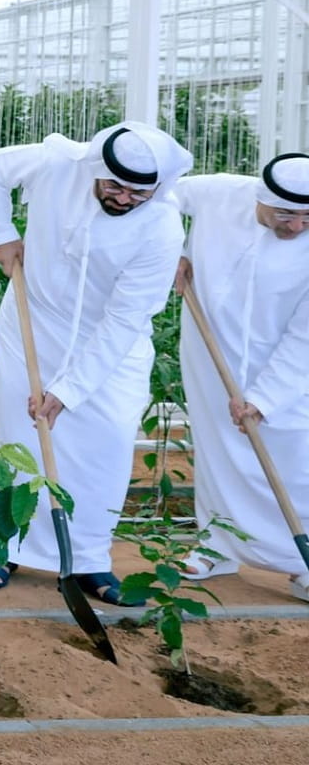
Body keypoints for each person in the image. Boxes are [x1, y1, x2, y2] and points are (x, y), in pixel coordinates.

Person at [0, 122, 193, 605]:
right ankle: (2, 546)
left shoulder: (161, 227)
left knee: (105, 446)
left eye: (139, 191)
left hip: (111, 344)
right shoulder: (57, 163)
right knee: (16, 436)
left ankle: (88, 559)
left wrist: (68, 390)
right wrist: (2, 233)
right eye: (114, 185)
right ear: (97, 168)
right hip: (32, 319)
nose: (123, 197)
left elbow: (124, 319)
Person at [171, 152, 309, 602]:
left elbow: (304, 339)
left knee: (296, 456)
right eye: (287, 215)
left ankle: (300, 562)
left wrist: (266, 398)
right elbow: (161, 195)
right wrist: (174, 249)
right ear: (262, 199)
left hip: (288, 366)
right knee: (217, 447)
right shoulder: (219, 192)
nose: (297, 228)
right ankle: (217, 544)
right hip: (211, 347)